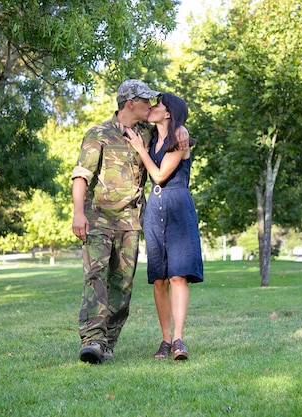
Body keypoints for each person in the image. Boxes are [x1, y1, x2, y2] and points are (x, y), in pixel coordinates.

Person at [71, 79, 161, 364]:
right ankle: (93, 339)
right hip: (98, 219)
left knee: (122, 284)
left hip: (131, 223)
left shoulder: (148, 133)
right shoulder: (98, 133)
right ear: (130, 102)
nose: (151, 105)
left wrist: (180, 130)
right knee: (95, 277)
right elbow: (81, 175)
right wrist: (78, 213)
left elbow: (172, 116)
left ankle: (108, 341)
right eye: (146, 100)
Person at [125, 93, 203, 361]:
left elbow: (158, 176)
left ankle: (179, 339)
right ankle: (165, 340)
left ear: (168, 113)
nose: (152, 108)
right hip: (155, 210)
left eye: (157, 105)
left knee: (178, 276)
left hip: (178, 207)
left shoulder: (179, 136)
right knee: (159, 278)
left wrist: (140, 150)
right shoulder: (149, 134)